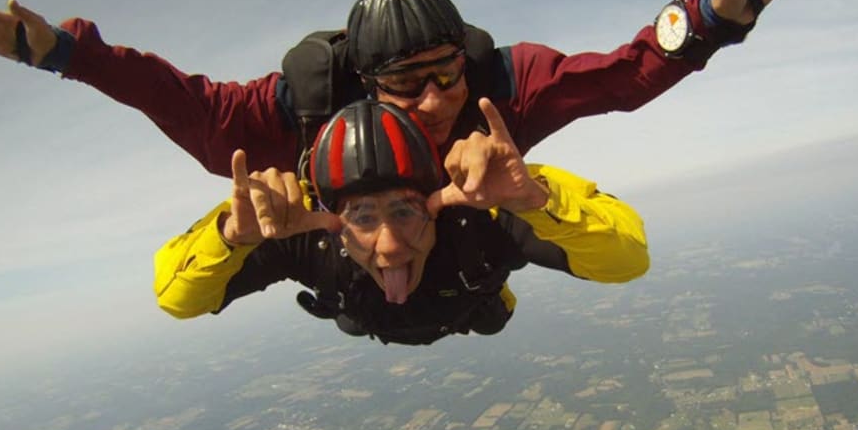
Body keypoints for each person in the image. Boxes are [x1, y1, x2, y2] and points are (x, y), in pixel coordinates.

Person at [0, 0, 818, 183]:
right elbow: (184, 102)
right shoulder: (305, 101)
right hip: (350, 239)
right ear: (365, 85)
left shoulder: (500, 86)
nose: (440, 95)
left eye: (446, 69)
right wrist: (63, 52)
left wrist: (712, 16)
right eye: (408, 84)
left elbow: (619, 79)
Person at [154, 98, 649, 345]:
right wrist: (230, 237)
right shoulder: (303, 226)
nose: (388, 246)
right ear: (332, 217)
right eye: (362, 217)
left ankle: (486, 301)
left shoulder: (481, 208)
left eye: (405, 210)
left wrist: (535, 201)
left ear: (436, 199)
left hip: (468, 303)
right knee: (352, 317)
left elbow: (627, 259)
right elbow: (177, 299)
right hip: (367, 307)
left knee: (493, 318)